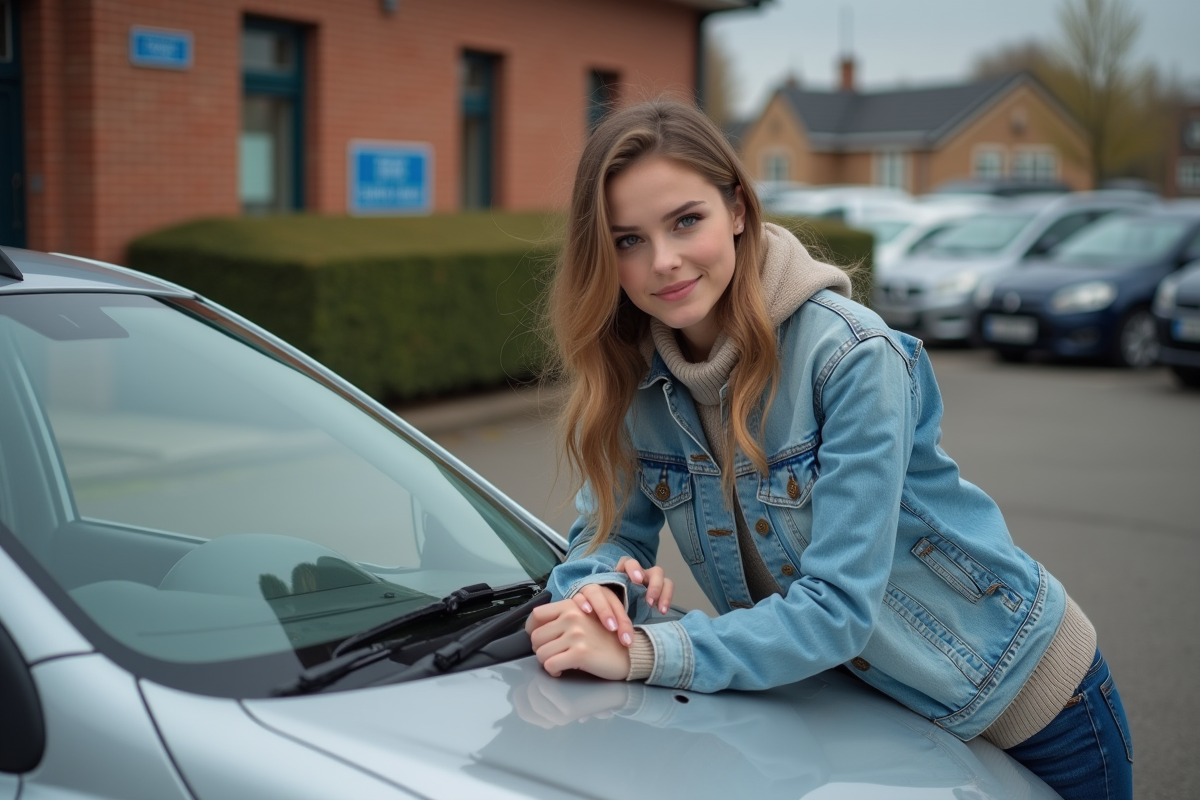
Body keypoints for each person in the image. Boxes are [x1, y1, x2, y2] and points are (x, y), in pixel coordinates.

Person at [524, 98, 1132, 800]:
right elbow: (600, 539)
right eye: (628, 240)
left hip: (1030, 705)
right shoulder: (635, 382)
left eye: (686, 220)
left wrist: (643, 651)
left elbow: (838, 608)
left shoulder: (850, 356)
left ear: (739, 210)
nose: (663, 261)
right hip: (871, 716)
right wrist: (603, 595)